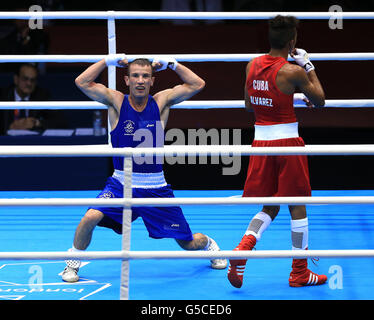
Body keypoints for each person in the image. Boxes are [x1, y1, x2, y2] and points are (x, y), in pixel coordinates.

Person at [61, 55, 227, 282]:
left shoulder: (160, 102)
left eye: (145, 76)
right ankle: (72, 265)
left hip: (155, 186)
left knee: (187, 243)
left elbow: (197, 84)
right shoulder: (117, 102)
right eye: (135, 76)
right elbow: (82, 82)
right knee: (90, 217)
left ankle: (209, 244)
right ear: (127, 80)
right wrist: (107, 61)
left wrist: (172, 64)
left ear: (152, 80)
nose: (140, 80)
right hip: (121, 183)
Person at [227, 15, 327, 288]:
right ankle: (299, 272)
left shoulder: (252, 65)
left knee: (270, 204)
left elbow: (250, 105)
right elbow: (320, 100)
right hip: (287, 144)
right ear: (292, 41)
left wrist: (287, 95)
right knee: (297, 205)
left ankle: (243, 249)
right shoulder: (292, 71)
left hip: (260, 144)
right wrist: (307, 65)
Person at [0, 63, 65, 135]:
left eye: (32, 80)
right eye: (25, 79)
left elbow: (61, 121)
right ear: (16, 79)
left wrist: (36, 123)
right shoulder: (3, 96)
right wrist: (10, 127)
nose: (29, 83)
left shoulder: (42, 96)